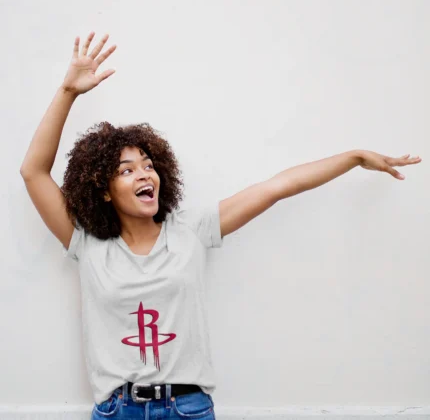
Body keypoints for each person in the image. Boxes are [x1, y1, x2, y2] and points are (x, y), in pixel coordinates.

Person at [20, 32, 421, 420]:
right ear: (103, 191)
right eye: (127, 170)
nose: (145, 174)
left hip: (188, 408)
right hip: (116, 410)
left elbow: (277, 187)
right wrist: (68, 92)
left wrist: (351, 157)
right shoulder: (87, 244)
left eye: (148, 164)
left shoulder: (191, 229)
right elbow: (33, 171)